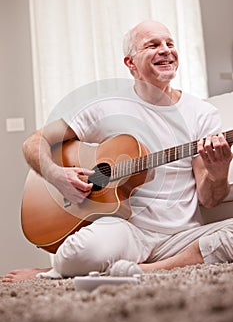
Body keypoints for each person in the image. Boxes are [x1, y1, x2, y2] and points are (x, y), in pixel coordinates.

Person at [2, 20, 233, 283]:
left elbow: (210, 199)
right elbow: (34, 142)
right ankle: (62, 268)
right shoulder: (106, 107)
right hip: (127, 232)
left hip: (182, 237)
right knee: (83, 253)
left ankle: (143, 271)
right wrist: (56, 175)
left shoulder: (202, 114)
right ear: (130, 63)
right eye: (153, 45)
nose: (166, 50)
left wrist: (218, 171)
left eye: (170, 43)